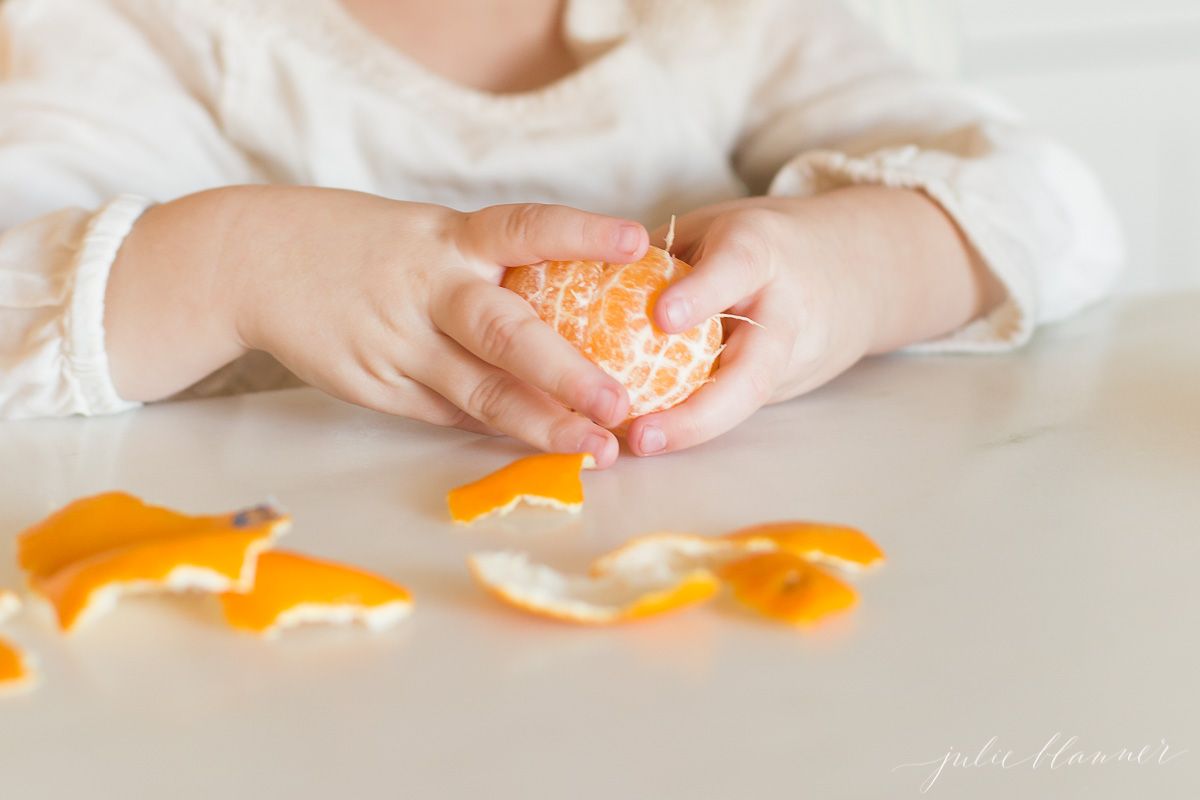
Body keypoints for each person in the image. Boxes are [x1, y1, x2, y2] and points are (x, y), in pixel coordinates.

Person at [0, 0, 1123, 467]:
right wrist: (235, 262)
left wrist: (856, 268)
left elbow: (1057, 206)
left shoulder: (721, 25)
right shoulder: (145, 36)